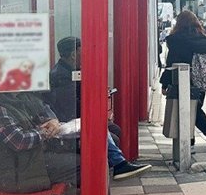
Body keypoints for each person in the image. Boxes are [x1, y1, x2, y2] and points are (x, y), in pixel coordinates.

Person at [0, 77, 132, 195]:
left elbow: (39, 114)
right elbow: (19, 141)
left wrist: (50, 124)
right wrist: (45, 132)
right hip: (16, 173)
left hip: (28, 162)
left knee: (93, 157)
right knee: (92, 166)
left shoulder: (11, 101)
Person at [46, 36, 152, 181]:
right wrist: (94, 110)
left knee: (115, 129)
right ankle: (117, 166)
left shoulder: (71, 70)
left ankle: (114, 168)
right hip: (65, 121)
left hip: (74, 117)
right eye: (82, 51)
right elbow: (70, 106)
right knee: (105, 131)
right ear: (73, 54)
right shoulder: (62, 76)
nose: (85, 54)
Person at [161, 11, 206, 142]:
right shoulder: (203, 40)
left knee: (187, 110)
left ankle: (205, 133)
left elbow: (171, 62)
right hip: (200, 79)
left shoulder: (176, 41)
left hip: (182, 80)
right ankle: (204, 135)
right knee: (195, 108)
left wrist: (164, 84)